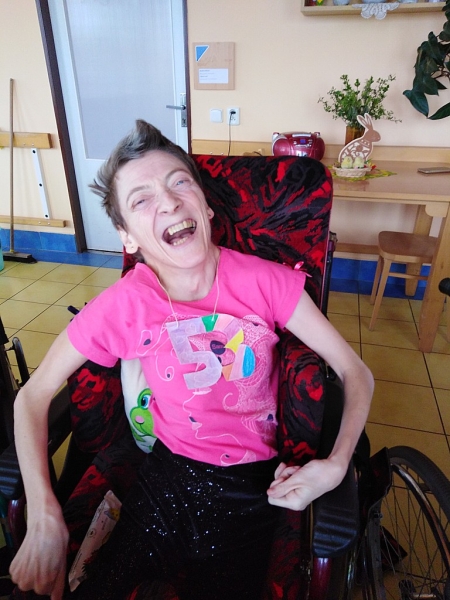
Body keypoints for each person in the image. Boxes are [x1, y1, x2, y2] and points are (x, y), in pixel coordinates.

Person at [10, 120, 374, 600]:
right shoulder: (124, 305)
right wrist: (43, 513)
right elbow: (32, 397)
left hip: (254, 488)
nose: (168, 202)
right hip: (166, 478)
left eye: (179, 182)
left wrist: (336, 464)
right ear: (127, 237)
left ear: (204, 205)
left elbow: (354, 371)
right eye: (141, 199)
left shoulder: (266, 281)